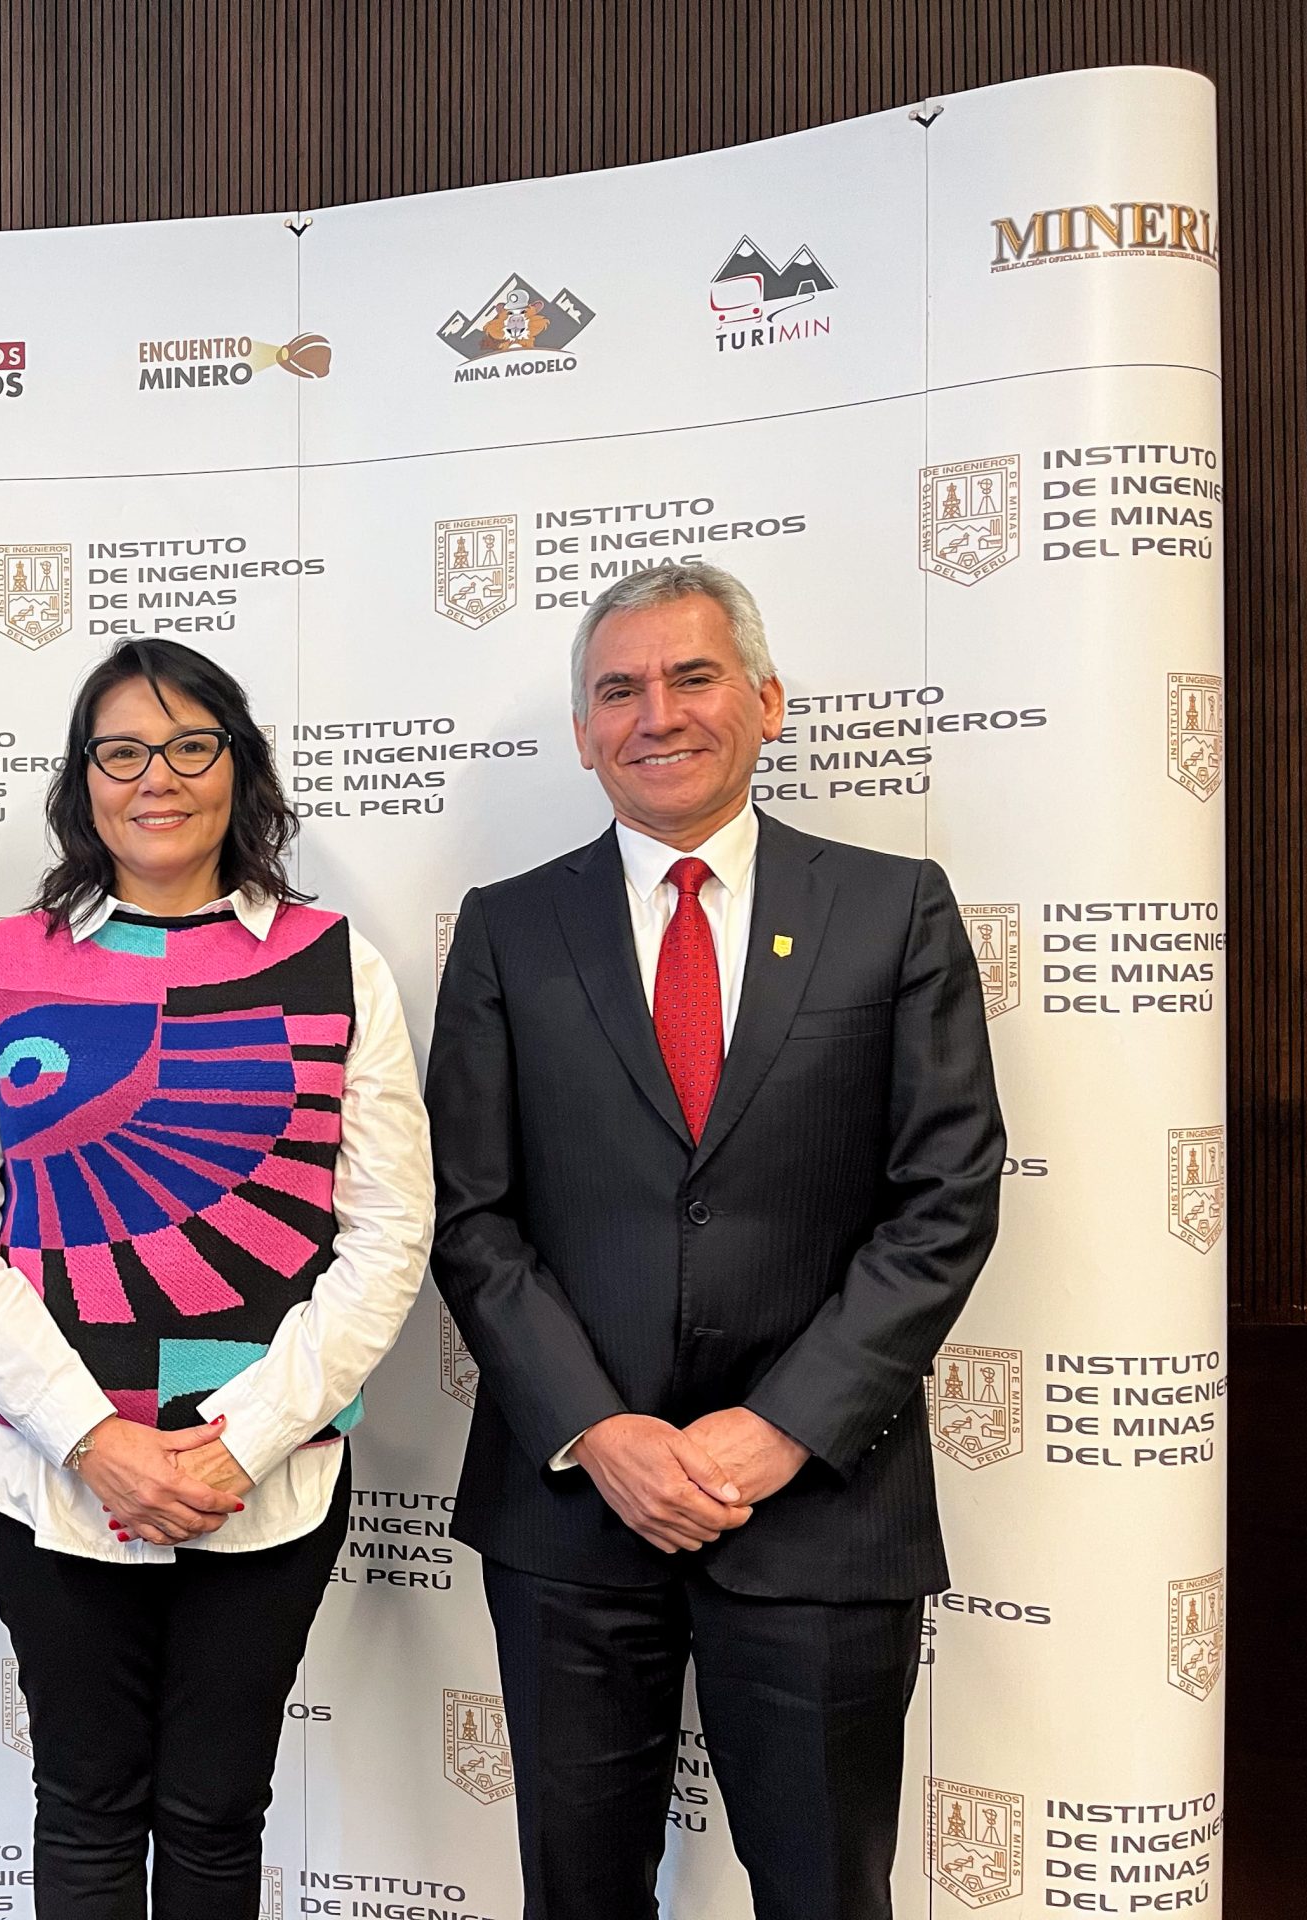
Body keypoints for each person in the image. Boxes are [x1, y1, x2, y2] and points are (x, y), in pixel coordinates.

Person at [428, 562, 1004, 1920]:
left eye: (692, 677)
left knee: (825, 1893)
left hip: (821, 1510)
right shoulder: (509, 929)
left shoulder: (893, 908)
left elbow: (946, 1195)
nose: (656, 713)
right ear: (584, 734)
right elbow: (468, 1210)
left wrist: (782, 1428)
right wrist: (598, 1431)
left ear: (766, 701)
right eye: (618, 690)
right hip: (574, 1512)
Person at [0, 638, 433, 1920]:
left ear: (238, 766)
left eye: (192, 745)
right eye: (123, 751)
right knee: (85, 1807)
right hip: (51, 1473)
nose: (158, 777)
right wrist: (94, 1438)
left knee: (213, 1814)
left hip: (267, 1480)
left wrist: (239, 1442)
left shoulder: (335, 961)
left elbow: (386, 1232)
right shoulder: (7, 962)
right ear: (82, 778)